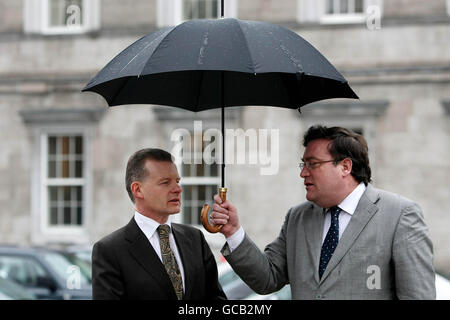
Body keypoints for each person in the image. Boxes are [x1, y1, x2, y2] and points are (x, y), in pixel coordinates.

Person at [211, 125, 435, 300]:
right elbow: (267, 279)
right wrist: (233, 232)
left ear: (345, 167)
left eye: (313, 164)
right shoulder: (297, 218)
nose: (303, 174)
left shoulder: (400, 215)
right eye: (303, 164)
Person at [92, 148, 226, 300]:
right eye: (165, 182)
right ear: (138, 190)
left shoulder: (195, 238)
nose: (178, 189)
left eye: (177, 181)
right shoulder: (110, 251)